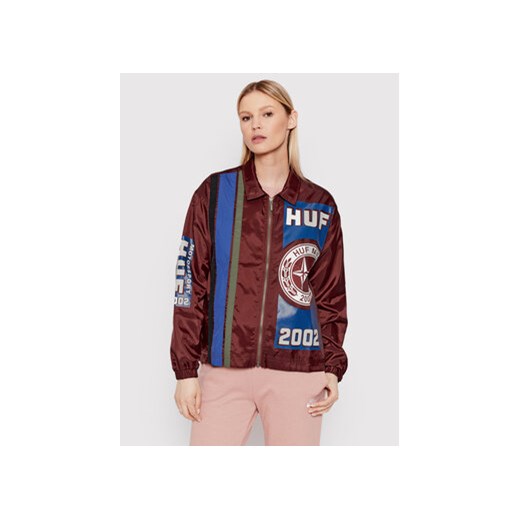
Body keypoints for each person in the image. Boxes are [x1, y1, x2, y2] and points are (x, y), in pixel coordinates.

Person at [170, 79, 348, 445]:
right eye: (246, 117)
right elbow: (190, 283)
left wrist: (332, 366)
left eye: (267, 114)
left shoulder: (320, 204)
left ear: (291, 119)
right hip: (223, 371)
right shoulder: (215, 194)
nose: (256, 125)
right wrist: (185, 371)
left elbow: (330, 293)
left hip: (297, 371)